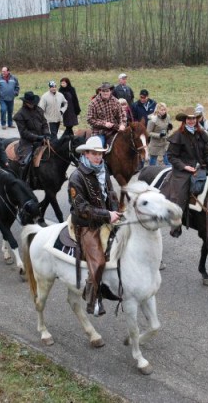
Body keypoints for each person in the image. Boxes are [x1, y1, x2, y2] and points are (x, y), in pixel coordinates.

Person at [68, 135, 121, 316]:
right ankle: (93, 300)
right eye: (94, 153)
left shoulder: (103, 170)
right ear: (86, 154)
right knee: (98, 262)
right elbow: (82, 208)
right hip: (86, 224)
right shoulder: (76, 177)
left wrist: (115, 211)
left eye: (100, 154)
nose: (98, 157)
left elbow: (111, 193)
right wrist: (107, 215)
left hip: (107, 217)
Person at [166, 112, 208, 237]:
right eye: (188, 119)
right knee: (180, 194)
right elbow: (172, 156)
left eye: (193, 118)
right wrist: (184, 166)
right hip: (183, 170)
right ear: (184, 120)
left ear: (196, 119)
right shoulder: (178, 135)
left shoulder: (202, 134)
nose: (191, 121)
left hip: (202, 167)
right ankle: (176, 224)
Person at [12, 91, 49, 168]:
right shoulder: (20, 115)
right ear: (25, 102)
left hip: (43, 139)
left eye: (33, 103)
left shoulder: (39, 110)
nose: (32, 104)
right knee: (26, 161)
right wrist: (37, 138)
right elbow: (24, 133)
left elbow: (45, 123)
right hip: (28, 142)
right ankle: (24, 177)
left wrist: (46, 133)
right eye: (30, 103)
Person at [86, 82, 126, 147]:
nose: (105, 93)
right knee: (98, 148)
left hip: (115, 130)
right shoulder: (93, 103)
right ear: (100, 91)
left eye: (107, 91)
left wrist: (122, 125)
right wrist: (104, 124)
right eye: (103, 91)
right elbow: (90, 119)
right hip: (99, 132)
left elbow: (122, 115)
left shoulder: (116, 101)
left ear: (110, 91)